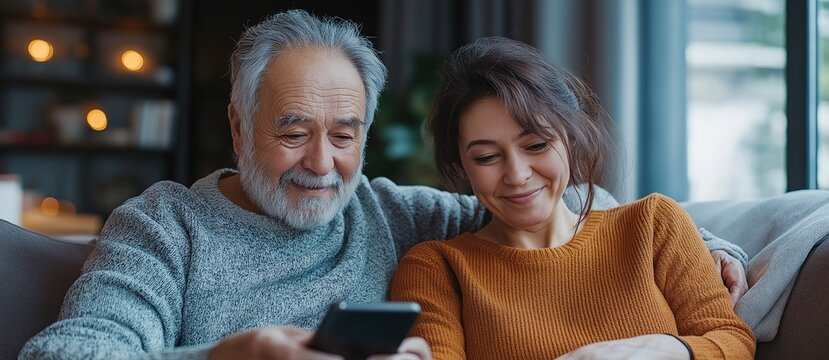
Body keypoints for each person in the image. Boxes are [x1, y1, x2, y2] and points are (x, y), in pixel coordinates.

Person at [20, 10, 747, 360]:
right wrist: (226, 357)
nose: (320, 163)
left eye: (344, 136)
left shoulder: (400, 216)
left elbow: (537, 203)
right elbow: (65, 356)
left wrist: (703, 245)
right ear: (240, 128)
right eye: (292, 131)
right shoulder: (164, 225)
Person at [389, 37, 755, 359]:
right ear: (461, 167)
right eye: (486, 157)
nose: (517, 175)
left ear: (571, 138)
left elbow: (733, 341)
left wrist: (664, 349)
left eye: (536, 145)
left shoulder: (654, 223)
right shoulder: (437, 268)